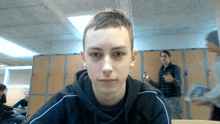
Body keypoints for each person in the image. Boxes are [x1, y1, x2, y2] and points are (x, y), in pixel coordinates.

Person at [26, 9, 171, 124]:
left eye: (118, 54)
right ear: (84, 58)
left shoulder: (153, 103)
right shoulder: (65, 102)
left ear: (132, 58)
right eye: (96, 54)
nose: (107, 67)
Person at [144, 50, 183, 119]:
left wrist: (172, 80)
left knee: (175, 121)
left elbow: (179, 83)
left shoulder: (175, 68)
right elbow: (160, 86)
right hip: (164, 99)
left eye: (165, 56)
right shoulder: (161, 70)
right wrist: (149, 81)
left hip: (174, 100)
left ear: (169, 58)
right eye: (162, 56)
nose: (163, 58)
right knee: (165, 120)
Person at [192, 30, 220, 121]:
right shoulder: (217, 60)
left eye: (208, 42)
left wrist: (204, 98)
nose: (206, 45)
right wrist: (211, 95)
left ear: (216, 42)